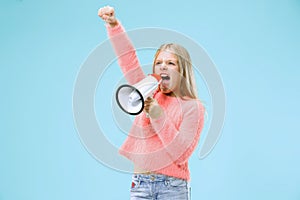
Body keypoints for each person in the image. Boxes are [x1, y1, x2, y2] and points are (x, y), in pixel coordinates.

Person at [98, 5, 205, 200]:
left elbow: (181, 154)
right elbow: (128, 59)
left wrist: (158, 116)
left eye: (171, 63)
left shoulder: (193, 108)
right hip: (140, 184)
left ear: (182, 72)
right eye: (159, 62)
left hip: (171, 187)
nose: (163, 66)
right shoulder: (149, 91)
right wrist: (114, 26)